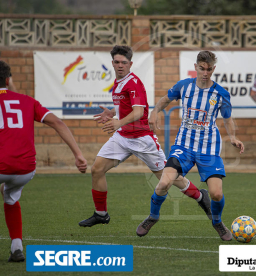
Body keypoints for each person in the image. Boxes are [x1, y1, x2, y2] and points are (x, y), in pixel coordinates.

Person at [78, 46, 211, 228]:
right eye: (116, 62)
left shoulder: (133, 83)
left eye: (124, 63)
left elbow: (139, 112)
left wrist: (118, 122)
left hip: (142, 139)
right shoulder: (118, 83)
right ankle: (101, 214)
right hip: (122, 137)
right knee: (97, 169)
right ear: (112, 63)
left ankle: (200, 196)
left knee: (168, 179)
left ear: (130, 64)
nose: (120, 65)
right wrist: (112, 113)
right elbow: (127, 108)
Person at [0, 60, 87, 262]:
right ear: (8, 80)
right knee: (10, 195)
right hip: (26, 170)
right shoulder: (28, 101)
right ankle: (17, 246)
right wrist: (78, 154)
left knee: (0, 181)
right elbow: (57, 123)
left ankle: (17, 245)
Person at [136, 50, 244, 241]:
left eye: (209, 69)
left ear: (213, 69)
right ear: (195, 67)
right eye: (202, 68)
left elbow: (227, 118)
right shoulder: (184, 86)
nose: (205, 73)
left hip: (209, 149)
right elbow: (164, 100)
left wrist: (233, 137)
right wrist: (155, 112)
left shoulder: (221, 93)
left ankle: (217, 221)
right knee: (164, 183)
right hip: (184, 146)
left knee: (216, 193)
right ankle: (153, 216)